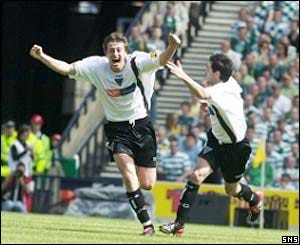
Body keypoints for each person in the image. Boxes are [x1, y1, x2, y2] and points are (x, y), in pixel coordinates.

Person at [29, 31, 181, 236]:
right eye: (111, 50)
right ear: (106, 54)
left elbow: (162, 59)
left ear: (126, 52)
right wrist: (42, 56)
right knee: (128, 173)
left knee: (147, 184)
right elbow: (67, 69)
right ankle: (147, 224)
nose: (115, 53)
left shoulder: (139, 61)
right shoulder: (96, 66)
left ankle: (142, 199)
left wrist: (172, 46)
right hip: (117, 129)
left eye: (119, 50)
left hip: (142, 126)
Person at [159, 54, 264, 236]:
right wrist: (207, 106)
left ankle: (254, 199)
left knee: (231, 189)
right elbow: (207, 98)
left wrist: (182, 75)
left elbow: (203, 94)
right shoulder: (225, 83)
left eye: (208, 69)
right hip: (216, 141)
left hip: (236, 148)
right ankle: (179, 224)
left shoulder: (222, 90)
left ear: (217, 73)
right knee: (196, 176)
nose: (205, 71)